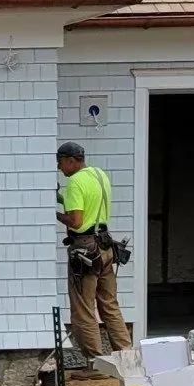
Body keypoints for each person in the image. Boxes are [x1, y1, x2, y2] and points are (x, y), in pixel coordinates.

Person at [56, 141, 131, 364]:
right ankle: (127, 357)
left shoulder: (75, 183)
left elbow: (77, 222)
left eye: (60, 163)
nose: (60, 168)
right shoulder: (98, 175)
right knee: (109, 304)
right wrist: (62, 199)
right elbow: (91, 204)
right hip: (106, 245)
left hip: (85, 248)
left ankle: (95, 364)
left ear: (71, 160)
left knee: (84, 308)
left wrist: (56, 214)